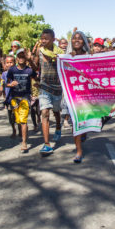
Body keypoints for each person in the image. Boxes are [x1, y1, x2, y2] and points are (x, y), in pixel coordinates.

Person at [33, 29, 65, 155]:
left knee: (56, 112)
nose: (43, 41)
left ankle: (58, 127)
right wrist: (30, 59)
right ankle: (47, 144)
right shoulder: (39, 51)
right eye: (42, 38)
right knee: (45, 113)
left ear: (53, 39)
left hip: (57, 88)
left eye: (46, 38)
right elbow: (35, 67)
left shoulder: (60, 53)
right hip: (44, 87)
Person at [66, 30, 91, 163]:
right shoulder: (68, 57)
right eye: (74, 38)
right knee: (76, 121)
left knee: (84, 119)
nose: (76, 40)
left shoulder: (89, 56)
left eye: (79, 38)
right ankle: (79, 151)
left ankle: (84, 132)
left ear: (84, 42)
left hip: (88, 94)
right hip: (74, 94)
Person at [6, 49, 37, 152]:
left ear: (26, 58)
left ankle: (24, 142)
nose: (21, 58)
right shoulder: (12, 70)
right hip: (14, 98)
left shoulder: (29, 70)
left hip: (25, 97)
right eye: (19, 56)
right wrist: (10, 84)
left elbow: (36, 77)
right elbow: (6, 83)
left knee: (23, 120)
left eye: (23, 57)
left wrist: (38, 84)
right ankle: (21, 132)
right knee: (18, 120)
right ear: (17, 58)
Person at [1, 55, 20, 137]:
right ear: (5, 64)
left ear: (14, 63)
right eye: (7, 62)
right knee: (10, 116)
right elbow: (3, 84)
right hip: (8, 98)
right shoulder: (4, 74)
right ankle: (13, 130)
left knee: (18, 114)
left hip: (17, 97)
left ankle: (20, 130)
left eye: (11, 62)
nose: (9, 64)